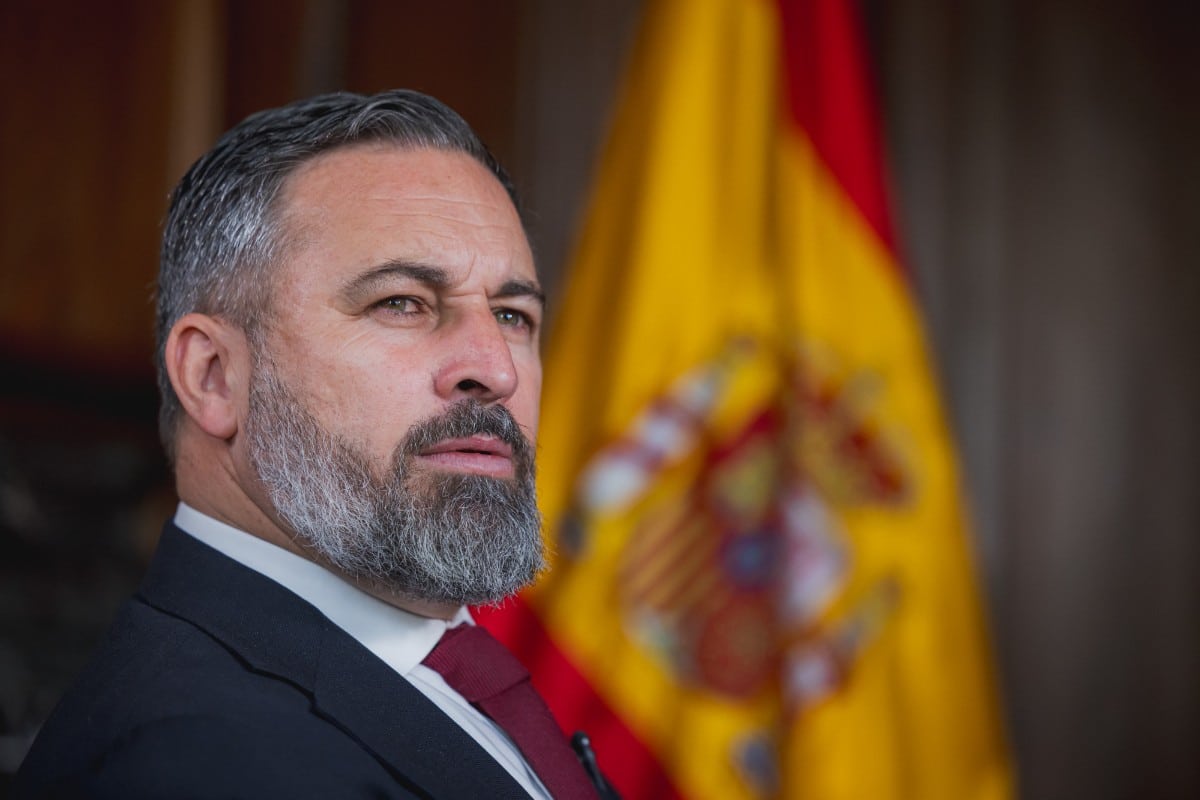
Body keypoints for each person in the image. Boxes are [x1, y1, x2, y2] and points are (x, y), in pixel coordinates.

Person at [14, 90, 612, 799]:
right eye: (401, 303)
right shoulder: (194, 764)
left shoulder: (450, 673)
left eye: (513, 315)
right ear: (214, 376)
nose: (497, 369)